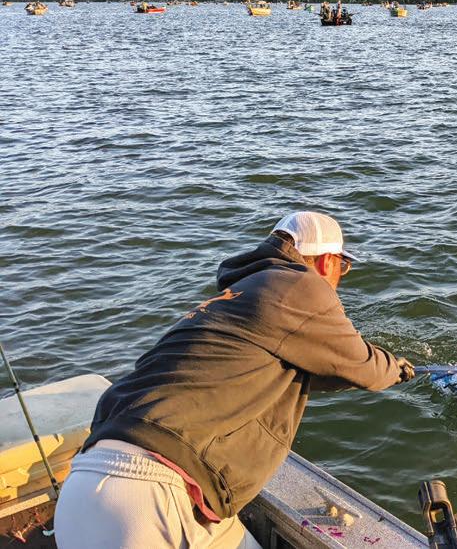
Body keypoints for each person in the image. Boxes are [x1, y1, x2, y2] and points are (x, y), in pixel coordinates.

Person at [54, 212, 414, 549]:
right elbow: (362, 366)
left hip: (81, 486)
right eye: (343, 266)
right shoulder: (302, 286)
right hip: (148, 495)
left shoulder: (235, 297)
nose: (340, 277)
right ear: (326, 262)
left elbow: (305, 368)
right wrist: (397, 369)